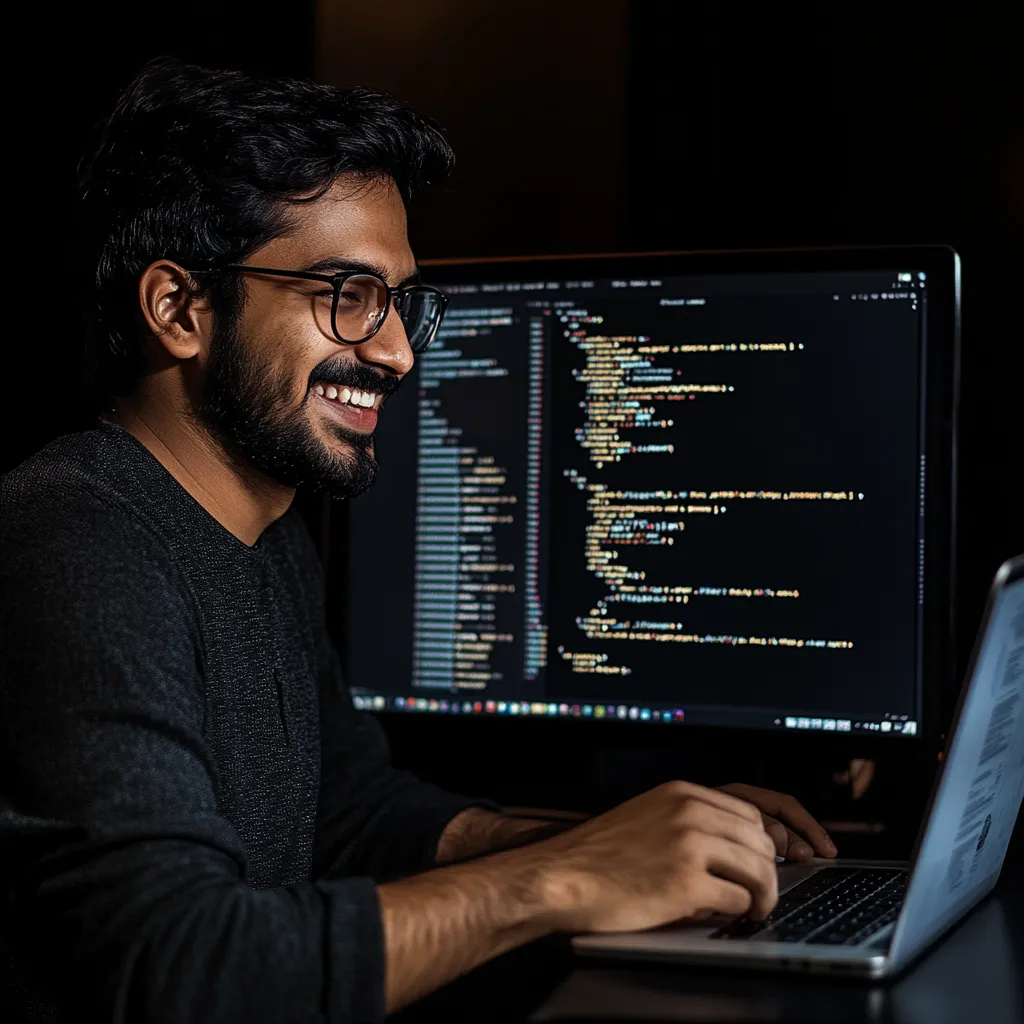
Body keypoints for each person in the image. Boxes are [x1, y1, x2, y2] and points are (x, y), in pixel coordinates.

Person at [0, 59, 838, 1023]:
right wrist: (563, 877)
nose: (397, 350)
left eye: (400, 301)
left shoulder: (263, 534)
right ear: (179, 309)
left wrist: (648, 838)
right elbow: (181, 968)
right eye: (347, 294)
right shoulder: (72, 539)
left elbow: (351, 816)